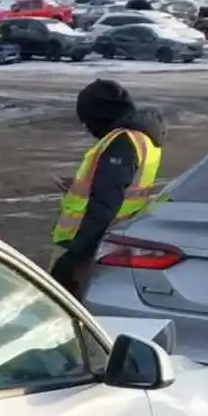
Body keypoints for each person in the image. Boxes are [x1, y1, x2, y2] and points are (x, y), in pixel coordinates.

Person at [49, 78, 166, 300]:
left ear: (101, 114)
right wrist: (79, 185)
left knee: (60, 311)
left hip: (88, 245)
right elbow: (123, 187)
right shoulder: (142, 137)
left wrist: (73, 256)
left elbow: (105, 203)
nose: (86, 126)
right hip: (110, 240)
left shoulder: (122, 142)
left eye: (87, 120)